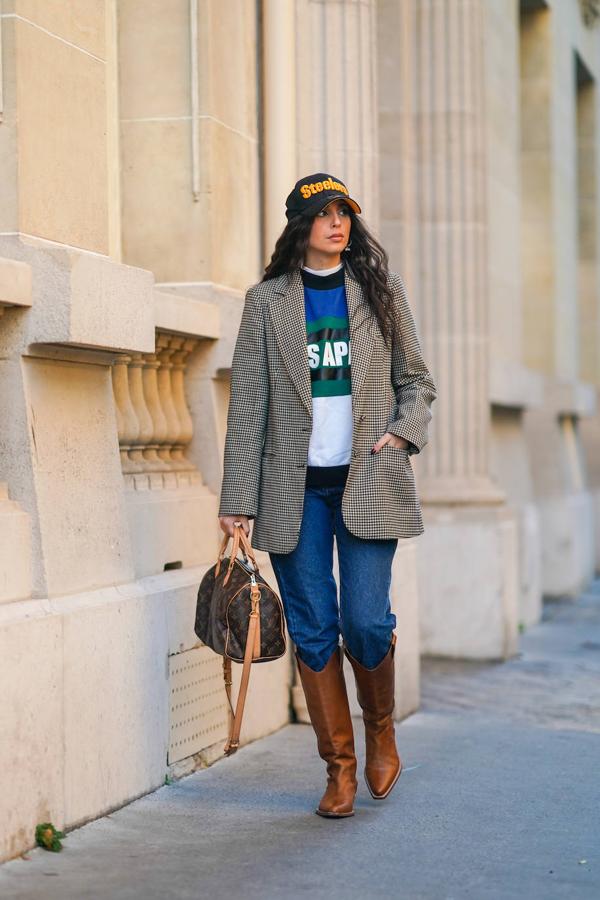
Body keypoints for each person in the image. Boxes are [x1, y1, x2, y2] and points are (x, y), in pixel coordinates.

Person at [218, 173, 437, 818]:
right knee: (314, 631)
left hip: (367, 480)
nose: (337, 223)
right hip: (292, 491)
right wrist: (236, 499)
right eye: (324, 214)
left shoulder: (379, 291)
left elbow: (417, 383)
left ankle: (381, 728)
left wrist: (401, 434)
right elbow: (248, 406)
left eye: (344, 213)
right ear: (301, 227)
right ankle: (338, 766)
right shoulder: (267, 304)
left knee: (367, 621)